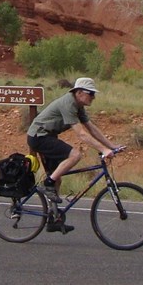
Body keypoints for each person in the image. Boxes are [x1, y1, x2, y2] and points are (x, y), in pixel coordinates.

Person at [27, 77, 121, 232]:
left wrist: (111, 146)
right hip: (39, 137)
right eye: (90, 93)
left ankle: (53, 219)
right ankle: (47, 184)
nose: (93, 97)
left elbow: (91, 128)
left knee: (58, 178)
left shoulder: (78, 106)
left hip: (47, 136)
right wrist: (104, 150)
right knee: (75, 155)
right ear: (78, 92)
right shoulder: (69, 104)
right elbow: (82, 134)